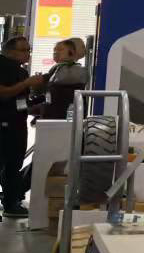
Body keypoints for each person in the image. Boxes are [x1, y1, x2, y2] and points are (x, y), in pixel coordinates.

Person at [0, 37, 45, 219]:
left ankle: (11, 203)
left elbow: (19, 101)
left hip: (17, 124)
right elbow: (3, 94)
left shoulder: (21, 72)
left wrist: (36, 105)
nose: (28, 53)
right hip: (3, 124)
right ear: (10, 51)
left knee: (14, 164)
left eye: (29, 50)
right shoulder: (2, 66)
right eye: (24, 50)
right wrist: (26, 84)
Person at [40, 39, 88, 120]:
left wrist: (43, 79)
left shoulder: (78, 70)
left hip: (67, 119)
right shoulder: (56, 69)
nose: (56, 52)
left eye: (60, 49)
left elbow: (63, 79)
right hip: (52, 117)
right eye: (55, 50)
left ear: (72, 52)